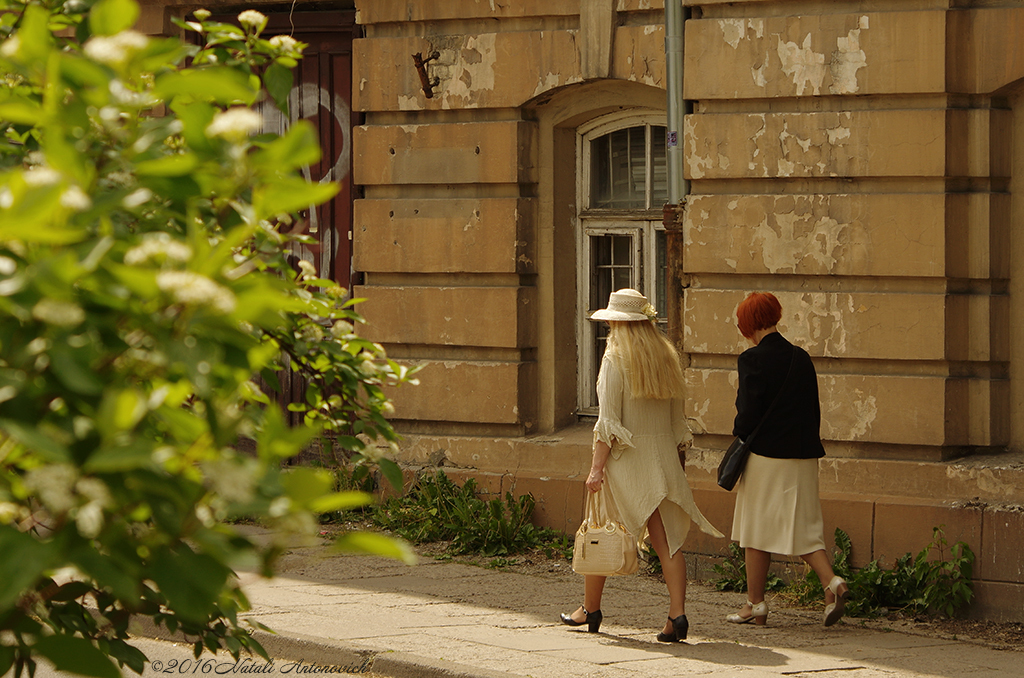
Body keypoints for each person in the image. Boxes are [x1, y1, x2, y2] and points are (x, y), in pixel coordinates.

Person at [560, 289, 722, 642]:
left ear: (618, 323)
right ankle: (676, 616)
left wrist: (596, 468)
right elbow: (678, 424)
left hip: (626, 462)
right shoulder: (666, 358)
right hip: (662, 460)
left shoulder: (615, 359)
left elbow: (608, 424)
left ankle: (590, 609)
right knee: (668, 542)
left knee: (599, 529)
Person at [727, 292, 850, 627]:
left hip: (767, 457)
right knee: (806, 529)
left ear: (749, 325)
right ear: (776, 316)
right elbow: (813, 411)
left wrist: (739, 429)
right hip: (805, 455)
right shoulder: (801, 358)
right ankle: (832, 583)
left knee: (756, 531)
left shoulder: (752, 360)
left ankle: (756, 604)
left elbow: (746, 416)